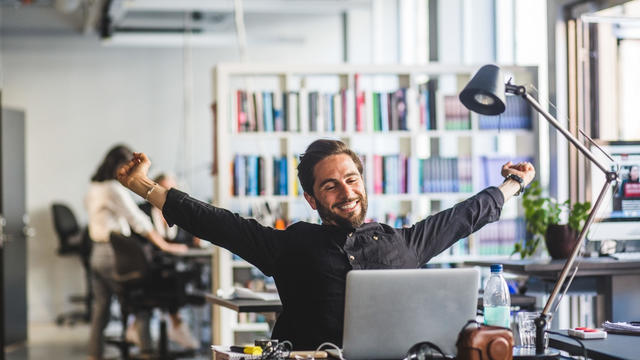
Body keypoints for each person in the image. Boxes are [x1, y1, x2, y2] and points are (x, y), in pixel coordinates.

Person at [117, 139, 535, 350]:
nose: (346, 192)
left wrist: (513, 183)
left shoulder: (401, 243)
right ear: (313, 199)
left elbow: (464, 217)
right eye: (331, 185)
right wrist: (143, 186)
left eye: (352, 180)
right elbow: (216, 224)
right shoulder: (291, 245)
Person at [86, 145, 188, 360]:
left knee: (100, 311)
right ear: (118, 166)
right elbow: (138, 221)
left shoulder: (94, 187)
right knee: (140, 303)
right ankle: (146, 353)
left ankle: (94, 356)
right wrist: (165, 246)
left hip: (96, 254)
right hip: (113, 254)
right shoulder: (113, 189)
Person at [138, 173, 202, 349]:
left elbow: (186, 239)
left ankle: (176, 324)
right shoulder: (142, 211)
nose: (168, 194)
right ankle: (177, 324)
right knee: (172, 280)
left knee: (181, 276)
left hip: (175, 265)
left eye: (172, 190)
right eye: (164, 188)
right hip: (150, 268)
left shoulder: (178, 213)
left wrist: (196, 238)